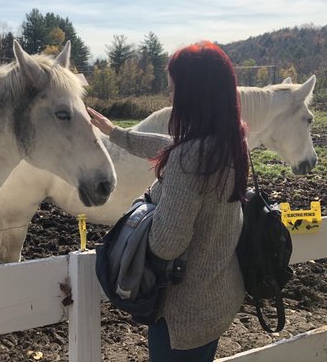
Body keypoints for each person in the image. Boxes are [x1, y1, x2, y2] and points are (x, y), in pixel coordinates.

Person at [88, 40, 249, 362]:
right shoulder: (230, 143)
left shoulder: (189, 159)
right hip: (218, 298)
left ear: (194, 96)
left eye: (174, 90)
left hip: (183, 317)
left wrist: (143, 203)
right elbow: (174, 148)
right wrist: (116, 133)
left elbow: (166, 245)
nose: (170, 97)